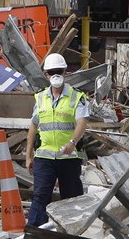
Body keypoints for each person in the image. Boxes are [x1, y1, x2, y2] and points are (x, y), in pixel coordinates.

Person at [25, 53, 89, 227]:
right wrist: (28, 156)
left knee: (71, 198)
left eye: (58, 72)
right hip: (44, 158)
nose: (55, 76)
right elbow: (33, 127)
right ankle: (35, 233)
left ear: (65, 73)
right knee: (40, 195)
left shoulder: (77, 97)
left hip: (68, 158)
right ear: (46, 75)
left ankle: (73, 233)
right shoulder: (40, 98)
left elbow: (82, 122)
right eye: (52, 72)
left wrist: (72, 142)